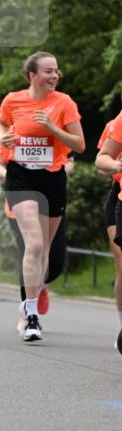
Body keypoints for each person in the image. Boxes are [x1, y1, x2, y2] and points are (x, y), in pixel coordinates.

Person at [0, 51, 85, 342]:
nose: (54, 76)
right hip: (21, 177)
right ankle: (31, 315)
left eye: (56, 71)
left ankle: (35, 295)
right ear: (33, 76)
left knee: (46, 252)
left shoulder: (64, 103)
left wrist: (53, 128)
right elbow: (1, 124)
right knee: (35, 244)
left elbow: (79, 145)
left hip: (52, 178)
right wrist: (3, 135)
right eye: (48, 71)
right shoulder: (13, 100)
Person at [95, 106, 122, 354]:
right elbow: (101, 165)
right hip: (119, 195)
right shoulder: (116, 124)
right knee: (121, 264)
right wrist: (116, 166)